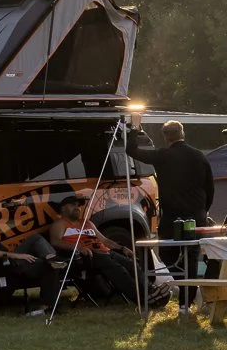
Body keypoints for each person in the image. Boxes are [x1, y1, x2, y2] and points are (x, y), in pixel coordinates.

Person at [137, 119, 215, 305]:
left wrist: (134, 131)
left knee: (167, 254)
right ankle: (188, 296)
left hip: (171, 216)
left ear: (165, 137)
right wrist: (203, 210)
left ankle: (185, 292)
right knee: (191, 255)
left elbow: (132, 151)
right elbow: (210, 187)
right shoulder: (199, 156)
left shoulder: (162, 156)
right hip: (196, 215)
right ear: (183, 133)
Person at [47, 193, 135, 306]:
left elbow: (104, 240)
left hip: (106, 252)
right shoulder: (60, 224)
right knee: (118, 268)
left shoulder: (87, 223)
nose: (77, 208)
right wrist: (78, 247)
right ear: (63, 208)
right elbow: (55, 241)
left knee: (132, 264)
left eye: (78, 205)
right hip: (89, 256)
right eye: (73, 205)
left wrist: (122, 248)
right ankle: (138, 296)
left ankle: (149, 292)